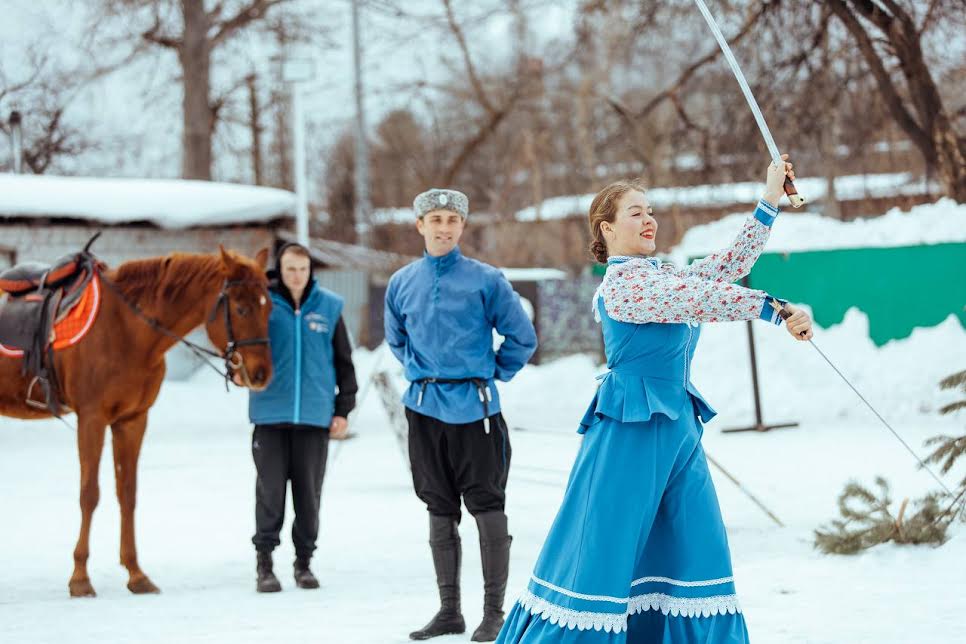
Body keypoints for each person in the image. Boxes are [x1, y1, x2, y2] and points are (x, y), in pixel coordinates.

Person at [496, 156, 813, 643]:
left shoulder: (663, 276)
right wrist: (774, 309)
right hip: (631, 432)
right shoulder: (624, 284)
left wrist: (770, 198)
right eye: (635, 212)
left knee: (695, 549)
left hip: (678, 431)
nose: (649, 220)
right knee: (603, 556)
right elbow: (699, 300)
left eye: (650, 210)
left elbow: (731, 267)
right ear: (607, 228)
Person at [384, 188, 538, 641]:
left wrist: (491, 373)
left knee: (487, 504)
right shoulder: (401, 282)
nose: (444, 227)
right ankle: (449, 609)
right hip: (424, 409)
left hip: (477, 410)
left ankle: (494, 612)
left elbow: (522, 337)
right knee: (438, 503)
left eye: (452, 220)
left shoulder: (487, 280)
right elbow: (396, 338)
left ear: (462, 227)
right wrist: (421, 371)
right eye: (435, 220)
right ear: (420, 225)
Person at [247, 242, 357, 593]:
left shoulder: (329, 307)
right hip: (270, 414)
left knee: (309, 496)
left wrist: (342, 410)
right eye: (290, 268)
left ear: (311, 271)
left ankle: (303, 564)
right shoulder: (262, 304)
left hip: (314, 417)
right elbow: (242, 347)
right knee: (270, 493)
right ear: (280, 270)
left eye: (303, 269)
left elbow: (344, 364)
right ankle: (265, 565)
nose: (296, 275)